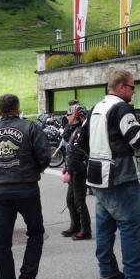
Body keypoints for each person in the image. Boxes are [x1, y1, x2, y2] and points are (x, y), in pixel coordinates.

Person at [78, 69, 140, 279]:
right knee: (130, 225)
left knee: (104, 227)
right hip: (119, 176)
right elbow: (137, 139)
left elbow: (80, 140)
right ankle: (134, 275)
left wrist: (98, 155)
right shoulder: (121, 108)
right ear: (122, 87)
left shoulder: (97, 107)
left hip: (97, 175)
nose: (134, 92)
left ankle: (107, 271)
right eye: (133, 87)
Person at [0, 94, 51, 279]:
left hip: (0, 192)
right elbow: (45, 156)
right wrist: (34, 171)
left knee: (2, 241)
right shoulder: (30, 127)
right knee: (36, 233)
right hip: (27, 189)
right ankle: (28, 278)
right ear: (18, 109)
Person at [61, 103, 91, 240]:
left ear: (77, 115)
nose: (67, 116)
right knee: (70, 200)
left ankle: (86, 230)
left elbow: (81, 150)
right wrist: (67, 165)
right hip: (72, 168)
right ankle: (75, 226)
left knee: (79, 201)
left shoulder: (83, 130)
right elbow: (66, 139)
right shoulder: (74, 129)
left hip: (79, 169)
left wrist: (75, 119)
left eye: (70, 114)